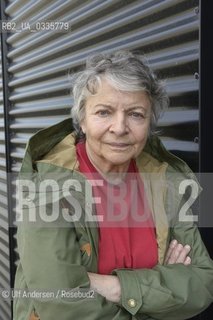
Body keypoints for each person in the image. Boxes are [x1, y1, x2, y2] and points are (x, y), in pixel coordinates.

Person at [14, 51, 213, 320]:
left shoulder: (166, 181)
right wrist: (160, 290)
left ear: (149, 122)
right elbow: (61, 305)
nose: (119, 127)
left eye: (136, 114)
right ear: (82, 120)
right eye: (104, 112)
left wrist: (113, 286)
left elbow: (202, 282)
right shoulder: (48, 187)